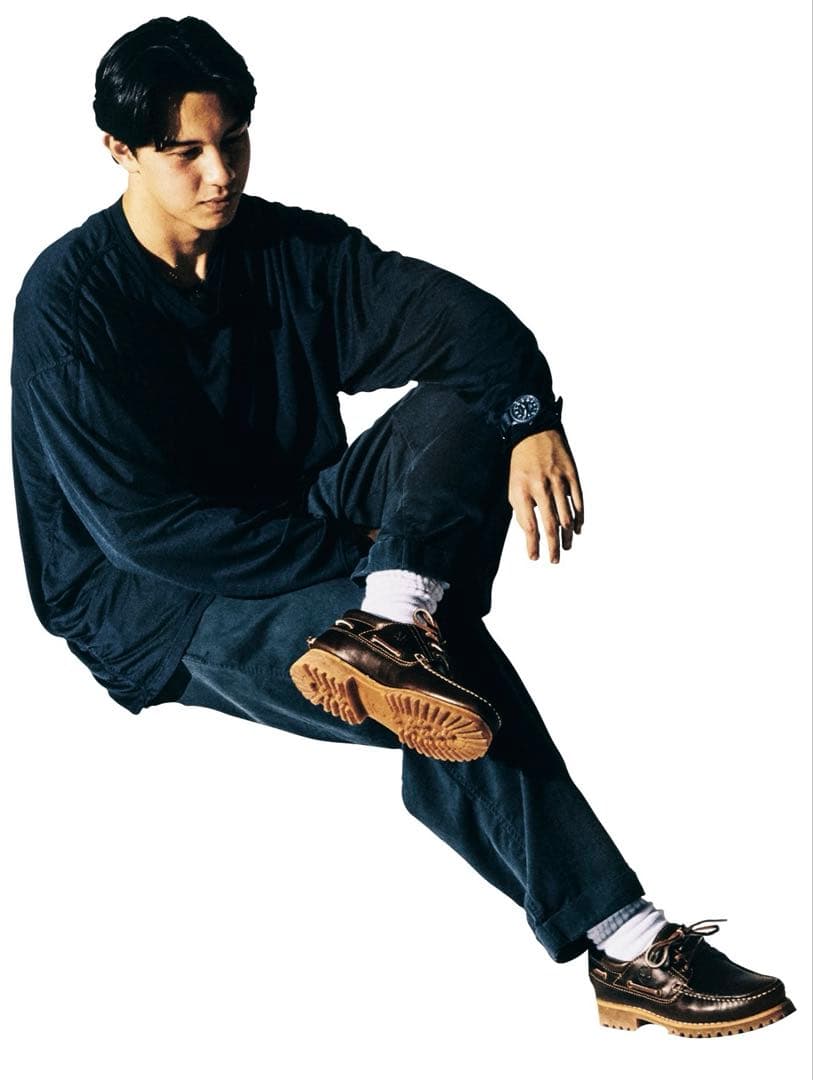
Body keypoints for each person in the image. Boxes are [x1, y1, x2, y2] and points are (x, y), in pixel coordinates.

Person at [10, 15, 794, 1038]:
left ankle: (391, 623)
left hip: (298, 515)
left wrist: (530, 420)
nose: (219, 174)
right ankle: (625, 940)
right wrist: (380, 560)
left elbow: (472, 330)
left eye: (234, 140)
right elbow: (143, 530)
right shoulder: (68, 305)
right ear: (118, 150)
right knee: (440, 659)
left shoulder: (285, 250)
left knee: (474, 404)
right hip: (154, 601)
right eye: (184, 151)